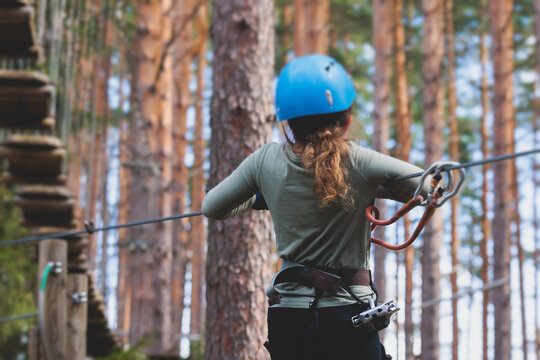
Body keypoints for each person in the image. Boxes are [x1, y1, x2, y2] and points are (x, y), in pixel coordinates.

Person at [202, 54, 429, 360]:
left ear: (288, 122)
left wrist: (263, 196)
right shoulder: (360, 161)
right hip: (349, 315)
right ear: (346, 118)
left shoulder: (265, 161)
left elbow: (213, 207)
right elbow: (428, 187)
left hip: (289, 317)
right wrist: (375, 187)